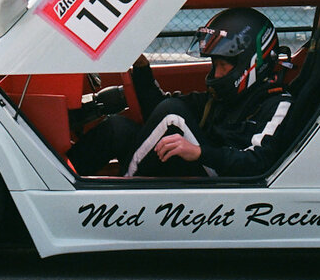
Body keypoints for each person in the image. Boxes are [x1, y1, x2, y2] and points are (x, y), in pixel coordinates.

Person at [68, 9, 292, 179]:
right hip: (199, 168)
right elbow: (157, 110)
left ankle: (122, 194)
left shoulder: (277, 103)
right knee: (118, 128)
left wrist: (199, 152)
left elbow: (260, 161)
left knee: (173, 114)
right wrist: (141, 66)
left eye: (224, 66)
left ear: (253, 62)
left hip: (225, 182)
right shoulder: (221, 100)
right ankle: (62, 177)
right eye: (215, 64)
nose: (217, 73)